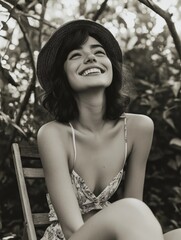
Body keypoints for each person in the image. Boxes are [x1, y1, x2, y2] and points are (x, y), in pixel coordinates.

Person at [37, 19, 181, 240]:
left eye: (99, 52)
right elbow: (72, 231)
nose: (90, 57)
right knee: (131, 210)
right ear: (62, 76)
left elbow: (137, 209)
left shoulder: (139, 128)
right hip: (71, 237)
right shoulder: (53, 135)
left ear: (111, 66)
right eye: (75, 55)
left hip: (121, 233)